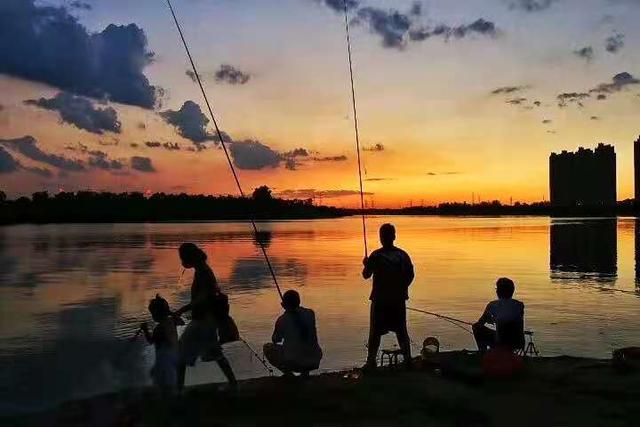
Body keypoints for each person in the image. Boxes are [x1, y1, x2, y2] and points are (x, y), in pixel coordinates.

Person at [173, 243, 237, 389]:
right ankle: (233, 384)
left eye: (182, 258)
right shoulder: (202, 270)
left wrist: (183, 309)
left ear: (189, 258)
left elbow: (203, 298)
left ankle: (178, 390)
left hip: (203, 321)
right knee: (215, 353)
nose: (182, 262)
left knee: (181, 354)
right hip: (206, 319)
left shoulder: (203, 272)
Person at [362, 223, 415, 369]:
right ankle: (408, 360)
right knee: (401, 330)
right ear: (394, 237)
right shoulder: (402, 255)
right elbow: (410, 275)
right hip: (397, 299)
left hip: (380, 300)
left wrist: (366, 264)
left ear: (382, 237)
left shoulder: (376, 255)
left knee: (375, 332)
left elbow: (366, 275)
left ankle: (371, 362)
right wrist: (402, 288)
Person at [263, 290, 322, 377]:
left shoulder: (282, 320)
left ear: (283, 304)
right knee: (301, 346)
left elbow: (276, 340)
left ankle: (288, 374)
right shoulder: (310, 313)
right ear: (299, 301)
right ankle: (305, 373)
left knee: (267, 347)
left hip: (295, 363)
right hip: (314, 360)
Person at [473, 277, 525, 354]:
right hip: (518, 342)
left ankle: (482, 353)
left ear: (498, 291)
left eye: (496, 288)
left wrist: (491, 319)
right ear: (512, 291)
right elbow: (512, 320)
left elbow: (480, 323)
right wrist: (495, 319)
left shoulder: (492, 305)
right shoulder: (519, 305)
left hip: (500, 342)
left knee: (476, 327)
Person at [141, 294, 179, 391]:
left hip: (163, 360)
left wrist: (145, 329)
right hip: (174, 358)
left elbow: (151, 341)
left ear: (157, 314)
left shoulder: (159, 329)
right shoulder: (172, 321)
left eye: (153, 314)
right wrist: (170, 312)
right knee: (171, 383)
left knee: (162, 385)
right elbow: (181, 321)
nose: (152, 316)